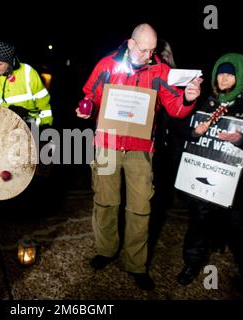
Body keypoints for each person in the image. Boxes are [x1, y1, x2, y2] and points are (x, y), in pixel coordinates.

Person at [76, 23, 201, 291]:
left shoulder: (160, 70)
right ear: (131, 44)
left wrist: (189, 99)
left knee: (141, 207)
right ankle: (106, 250)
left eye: (153, 50)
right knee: (105, 202)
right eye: (144, 49)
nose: (149, 55)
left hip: (141, 148)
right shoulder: (107, 65)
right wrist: (86, 108)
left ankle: (135, 264)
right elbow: (90, 94)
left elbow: (176, 107)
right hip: (107, 143)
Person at [177, 53, 243, 296]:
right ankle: (191, 264)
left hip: (234, 184)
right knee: (198, 223)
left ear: (240, 76)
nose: (224, 78)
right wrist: (195, 132)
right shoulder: (207, 100)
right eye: (221, 73)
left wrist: (241, 139)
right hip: (203, 177)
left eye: (230, 73)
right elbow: (185, 132)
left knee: (238, 228)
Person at [0, 41, 53, 127]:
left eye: (0, 64)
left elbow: (43, 100)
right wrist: (10, 110)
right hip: (4, 127)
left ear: (10, 63)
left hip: (31, 126)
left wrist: (46, 124)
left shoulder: (28, 72)